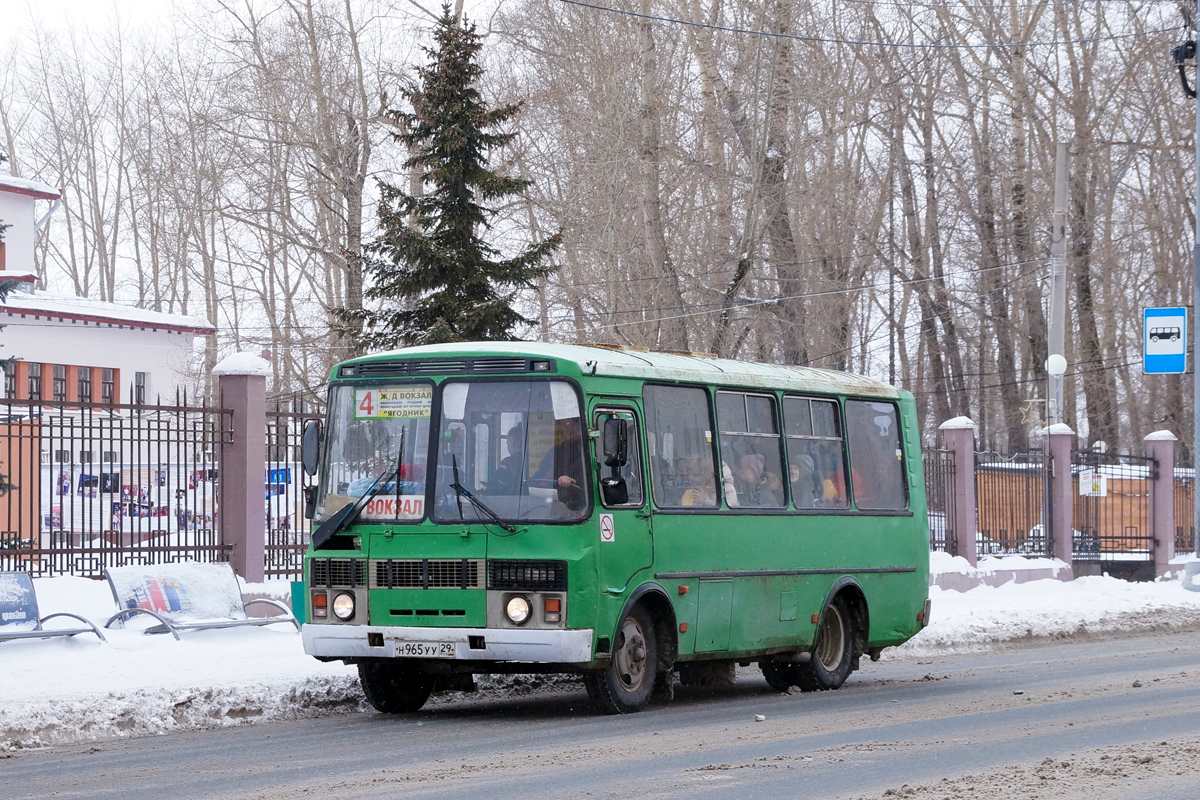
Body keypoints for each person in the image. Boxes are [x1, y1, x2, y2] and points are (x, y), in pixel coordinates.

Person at [488, 424, 525, 495]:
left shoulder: (507, 463)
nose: (507, 446)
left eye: (507, 443)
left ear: (512, 441)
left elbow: (495, 487)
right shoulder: (531, 462)